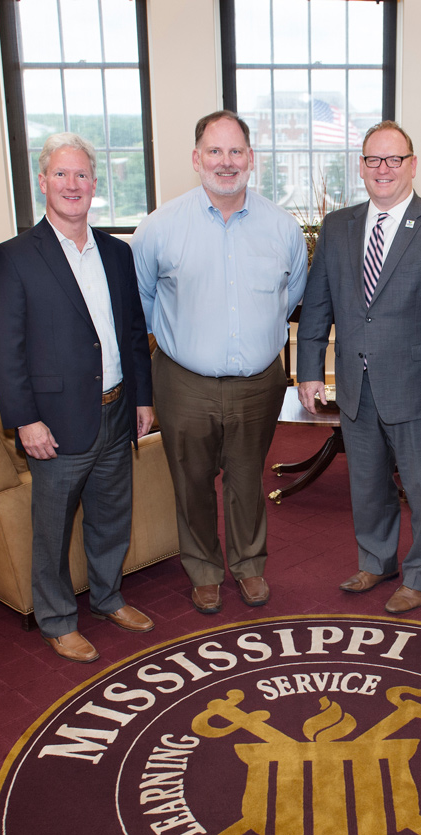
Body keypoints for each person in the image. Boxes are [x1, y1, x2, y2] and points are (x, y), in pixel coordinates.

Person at [0, 132, 155, 664]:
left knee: (111, 517)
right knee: (52, 529)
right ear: (42, 182)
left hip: (117, 409)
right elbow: (5, 348)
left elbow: (132, 333)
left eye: (82, 175)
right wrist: (25, 420)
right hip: (55, 424)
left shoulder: (116, 252)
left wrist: (143, 399)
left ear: (95, 185)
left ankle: (107, 598)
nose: (72, 185)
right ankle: (58, 620)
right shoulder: (14, 257)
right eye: (61, 174)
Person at [131, 110, 307, 615]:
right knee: (191, 480)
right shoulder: (159, 228)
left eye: (235, 152)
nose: (225, 163)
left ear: (250, 159)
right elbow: (142, 304)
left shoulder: (282, 228)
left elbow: (290, 296)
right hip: (183, 380)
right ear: (196, 158)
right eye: (214, 151)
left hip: (259, 382)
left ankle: (250, 566)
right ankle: (204, 569)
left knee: (248, 477)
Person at [297, 120, 421, 614]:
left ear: (412, 165)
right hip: (355, 384)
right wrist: (309, 369)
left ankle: (420, 574)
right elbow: (318, 305)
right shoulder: (338, 226)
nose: (383, 169)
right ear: (361, 166)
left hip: (419, 390)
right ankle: (376, 560)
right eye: (373, 159)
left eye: (394, 159)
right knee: (368, 482)